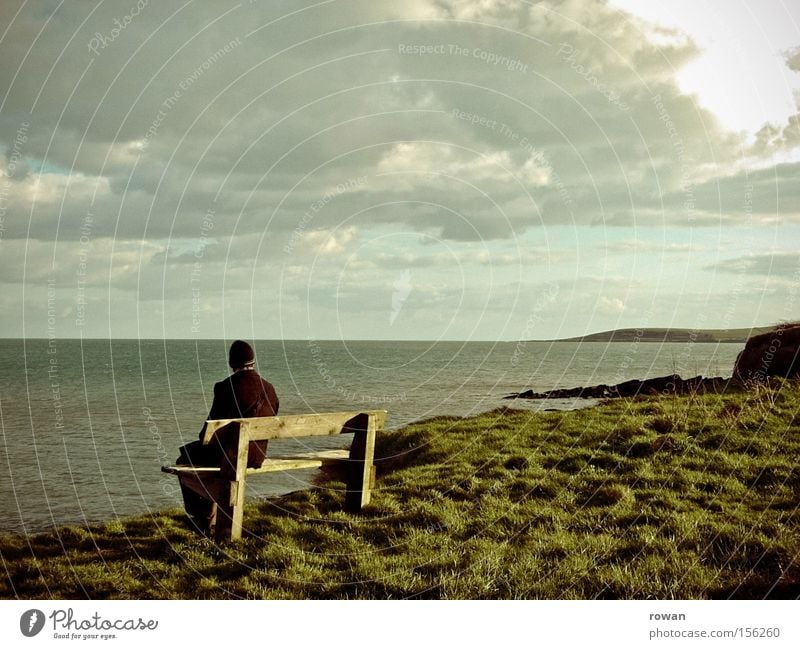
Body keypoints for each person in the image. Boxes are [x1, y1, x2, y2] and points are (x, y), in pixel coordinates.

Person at [176, 340, 279, 535]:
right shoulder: (270, 389)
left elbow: (207, 433)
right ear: (253, 361)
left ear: (232, 363)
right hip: (256, 455)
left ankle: (204, 519)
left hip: (231, 456)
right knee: (200, 459)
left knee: (183, 462)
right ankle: (209, 517)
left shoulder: (224, 387)